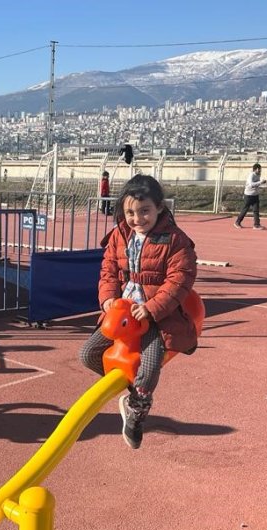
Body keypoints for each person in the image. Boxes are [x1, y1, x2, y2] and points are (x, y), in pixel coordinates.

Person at [79, 174, 198, 449]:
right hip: (122, 309)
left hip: (154, 312)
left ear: (159, 207)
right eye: (130, 212)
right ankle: (131, 391)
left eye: (145, 211)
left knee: (150, 362)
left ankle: (136, 411)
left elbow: (180, 279)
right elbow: (108, 269)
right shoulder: (120, 234)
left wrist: (152, 308)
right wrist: (108, 297)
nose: (137, 218)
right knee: (87, 354)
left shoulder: (175, 240)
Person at [234, 162, 267, 230]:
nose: (260, 170)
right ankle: (237, 222)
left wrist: (262, 182)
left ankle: (256, 225)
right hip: (248, 195)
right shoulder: (251, 175)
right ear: (256, 169)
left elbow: (257, 183)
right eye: (259, 169)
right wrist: (260, 182)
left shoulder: (258, 175)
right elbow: (251, 184)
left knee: (256, 210)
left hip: (255, 195)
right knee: (245, 209)